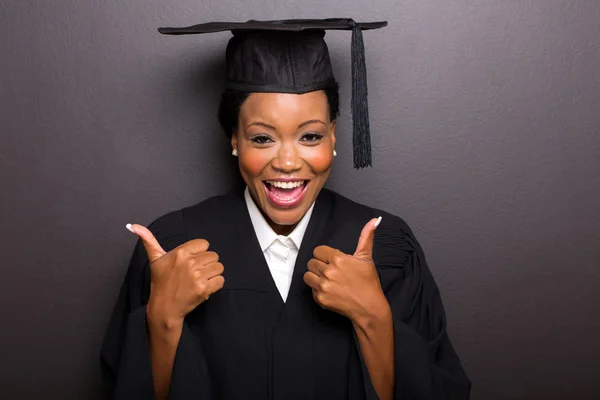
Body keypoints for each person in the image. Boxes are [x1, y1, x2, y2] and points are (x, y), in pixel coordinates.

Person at [100, 18, 471, 400]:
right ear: (234, 140)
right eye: (262, 138)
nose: (289, 162)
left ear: (334, 135)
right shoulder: (172, 250)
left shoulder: (389, 248)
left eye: (310, 136)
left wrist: (373, 318)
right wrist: (162, 321)